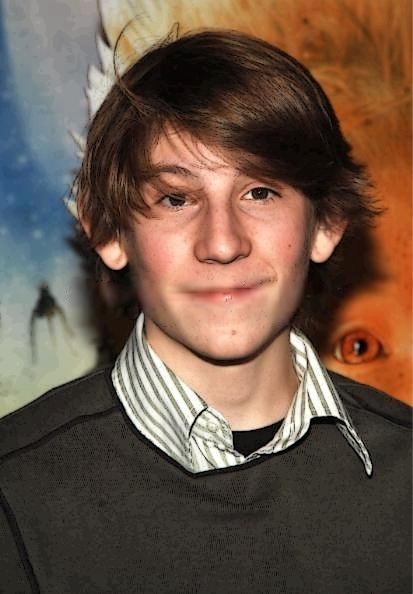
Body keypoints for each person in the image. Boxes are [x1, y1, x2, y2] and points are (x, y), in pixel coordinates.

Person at [0, 30, 411, 593]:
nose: (222, 242)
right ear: (110, 233)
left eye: (260, 192)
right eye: (176, 198)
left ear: (326, 224)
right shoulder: (15, 494)